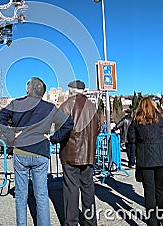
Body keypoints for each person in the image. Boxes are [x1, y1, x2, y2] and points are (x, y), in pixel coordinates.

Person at [0, 77, 73, 226]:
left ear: (28, 90)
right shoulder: (50, 108)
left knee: (21, 196)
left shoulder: (17, 104)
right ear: (42, 92)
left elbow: (0, 118)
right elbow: (68, 123)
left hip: (21, 152)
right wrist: (53, 138)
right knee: (42, 195)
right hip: (40, 153)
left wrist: (11, 136)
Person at [57, 80, 101, 226]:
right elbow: (98, 127)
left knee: (71, 189)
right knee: (88, 189)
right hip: (88, 154)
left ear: (72, 90)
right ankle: (90, 221)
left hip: (71, 153)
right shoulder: (92, 107)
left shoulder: (67, 105)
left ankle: (71, 222)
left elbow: (61, 129)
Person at [127, 98, 163, 226]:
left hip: (145, 158)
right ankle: (161, 214)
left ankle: (152, 221)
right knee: (160, 187)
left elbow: (131, 138)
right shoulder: (161, 119)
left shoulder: (137, 121)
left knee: (149, 191)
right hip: (161, 156)